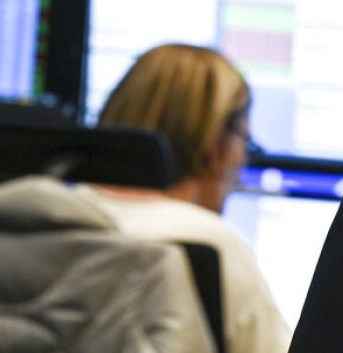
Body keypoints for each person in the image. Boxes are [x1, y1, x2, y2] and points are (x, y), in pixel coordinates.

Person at [76, 43, 291, 353]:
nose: (242, 168)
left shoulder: (51, 215)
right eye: (245, 140)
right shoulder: (209, 245)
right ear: (214, 145)